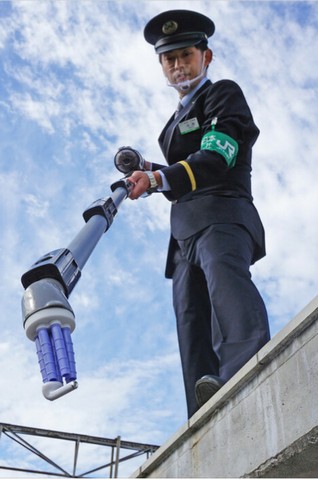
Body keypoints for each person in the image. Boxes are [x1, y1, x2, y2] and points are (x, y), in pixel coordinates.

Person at [126, 9, 271, 419]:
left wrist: (157, 180)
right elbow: (181, 171)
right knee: (191, 324)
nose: (177, 65)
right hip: (183, 238)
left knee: (228, 293)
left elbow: (215, 157)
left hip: (222, 217)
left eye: (185, 55)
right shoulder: (170, 125)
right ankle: (201, 413)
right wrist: (148, 172)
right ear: (162, 66)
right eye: (168, 59)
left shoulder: (222, 94)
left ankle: (245, 372)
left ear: (206, 57)